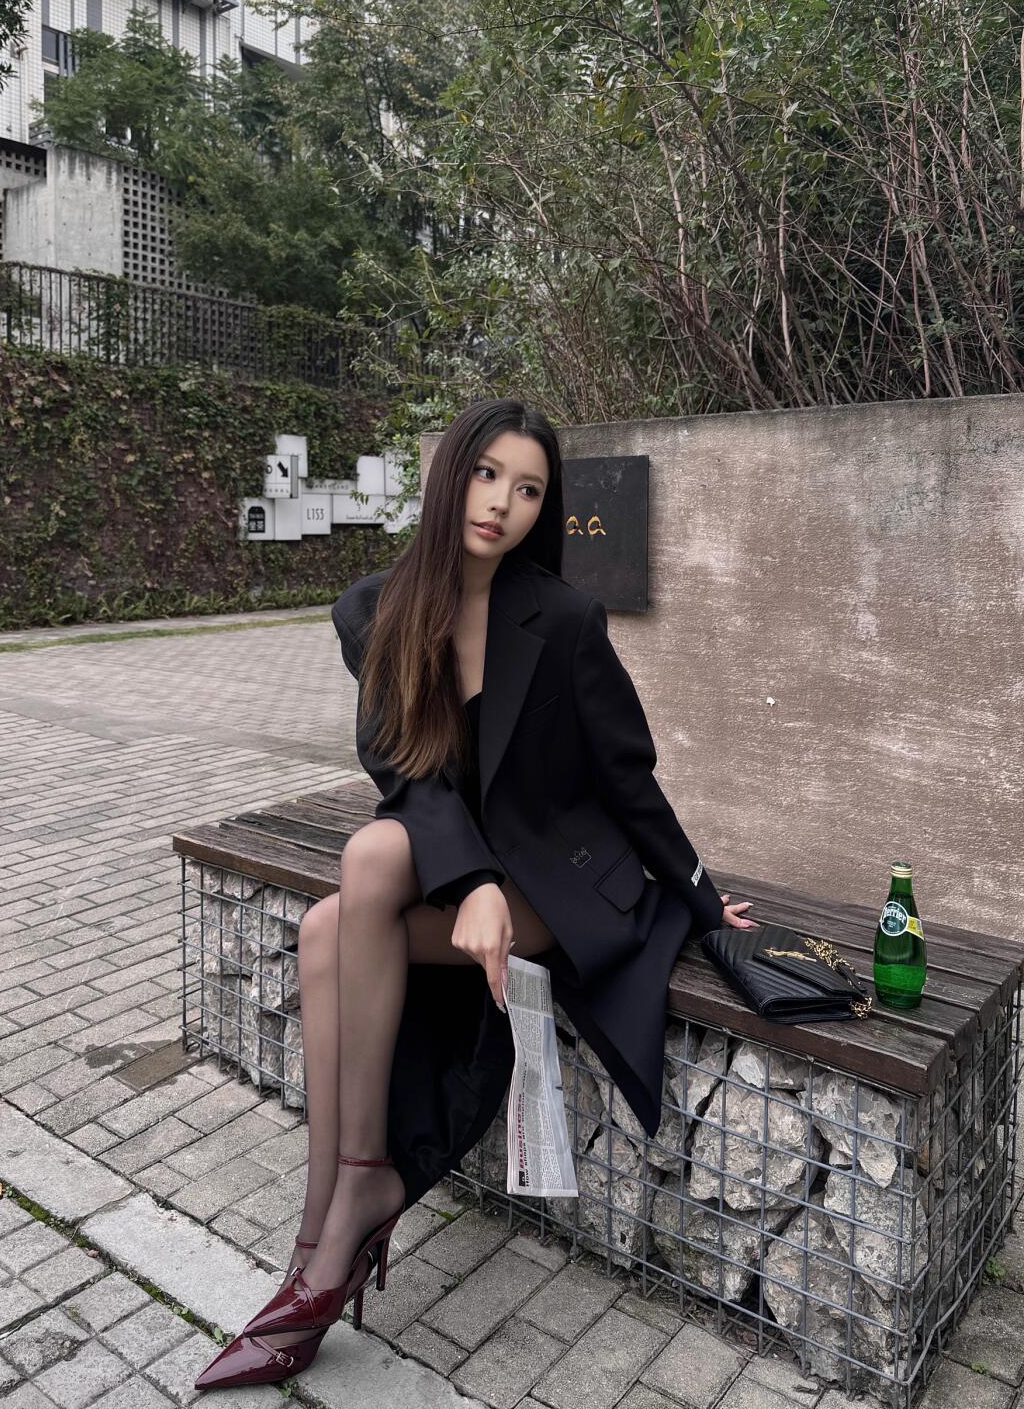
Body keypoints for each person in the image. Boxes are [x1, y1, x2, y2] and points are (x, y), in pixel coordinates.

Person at [195, 397, 757, 1391]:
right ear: (451, 473)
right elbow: (403, 773)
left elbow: (629, 779)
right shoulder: (374, 610)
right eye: (489, 474)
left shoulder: (565, 620)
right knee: (345, 897)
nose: (503, 502)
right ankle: (339, 1209)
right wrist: (474, 882)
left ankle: (330, 1232)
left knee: (355, 887)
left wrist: (706, 902)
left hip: (568, 881)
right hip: (477, 871)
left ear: (545, 507)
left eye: (529, 488)